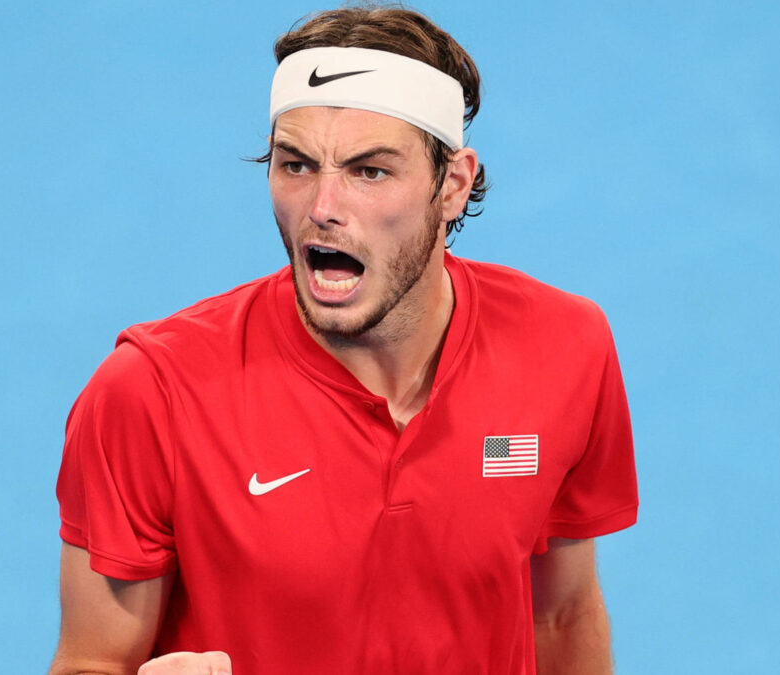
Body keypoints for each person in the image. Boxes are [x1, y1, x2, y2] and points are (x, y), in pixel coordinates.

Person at [51, 6, 637, 674]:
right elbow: (90, 658)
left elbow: (560, 613)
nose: (322, 206)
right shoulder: (151, 392)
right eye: (296, 164)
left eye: (369, 171)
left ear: (452, 185)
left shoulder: (564, 347)